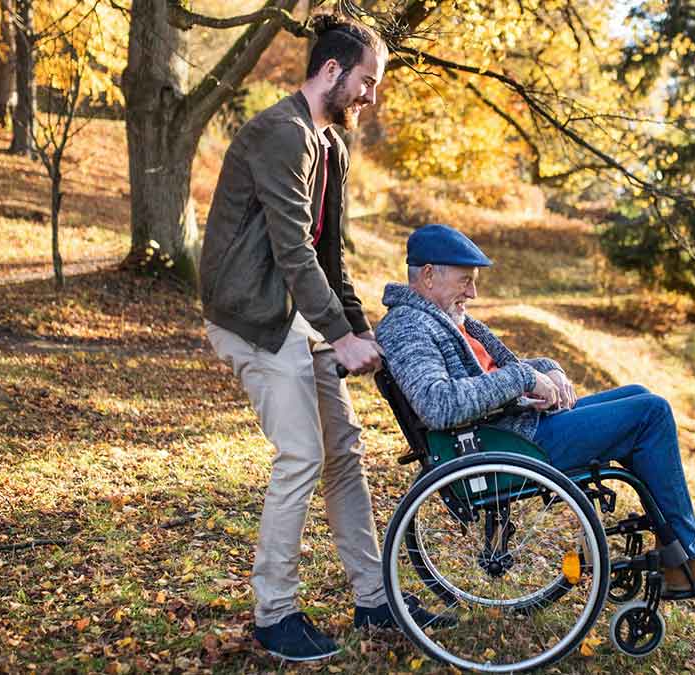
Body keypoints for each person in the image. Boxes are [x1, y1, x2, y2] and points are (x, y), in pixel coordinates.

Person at [198, 14, 449, 663]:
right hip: (252, 315)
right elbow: (290, 253)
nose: (371, 96)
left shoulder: (331, 145)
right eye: (367, 81)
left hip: (297, 314)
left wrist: (360, 332)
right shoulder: (280, 134)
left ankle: (374, 596)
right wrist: (339, 336)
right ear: (332, 70)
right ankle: (272, 613)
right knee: (303, 454)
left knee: (345, 449)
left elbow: (329, 260)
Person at [374, 224, 695, 593]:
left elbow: (503, 369)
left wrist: (549, 370)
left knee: (637, 393)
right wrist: (526, 381)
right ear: (428, 276)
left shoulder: (444, 317)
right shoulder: (409, 326)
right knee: (651, 413)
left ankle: (682, 539)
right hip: (505, 445)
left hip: (516, 427)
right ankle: (689, 558)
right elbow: (438, 405)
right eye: (466, 282)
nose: (473, 294)